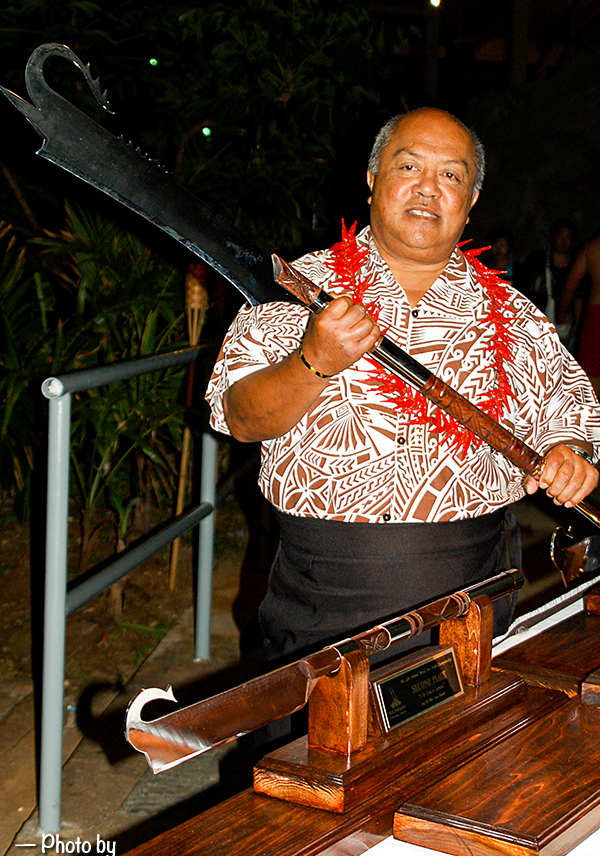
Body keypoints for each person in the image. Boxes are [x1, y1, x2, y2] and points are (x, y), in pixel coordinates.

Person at [206, 108, 600, 669]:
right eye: (409, 166)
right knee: (311, 750)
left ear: (472, 200)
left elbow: (574, 416)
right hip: (323, 595)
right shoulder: (294, 291)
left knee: (462, 754)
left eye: (452, 175)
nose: (429, 189)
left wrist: (574, 457)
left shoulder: (514, 316)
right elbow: (239, 418)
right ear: (371, 180)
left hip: (472, 595)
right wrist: (312, 361)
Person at [521, 218, 577, 347]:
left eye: (568, 237)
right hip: (537, 324)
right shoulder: (536, 261)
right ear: (552, 237)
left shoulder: (576, 263)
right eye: (560, 236)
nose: (564, 241)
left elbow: (579, 296)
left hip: (567, 325)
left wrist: (576, 324)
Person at [558, 233, 600, 398]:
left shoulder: (592, 247)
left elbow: (570, 286)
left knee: (591, 385)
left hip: (596, 317)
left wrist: (562, 312)